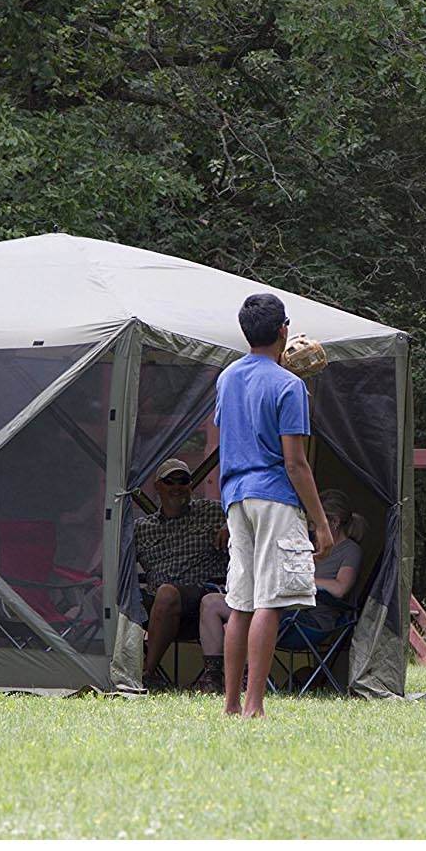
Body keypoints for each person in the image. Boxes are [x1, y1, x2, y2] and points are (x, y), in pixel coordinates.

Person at [215, 292, 333, 718]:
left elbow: (229, 435)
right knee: (269, 601)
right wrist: (320, 522)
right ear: (284, 330)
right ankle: (254, 707)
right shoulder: (290, 386)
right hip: (274, 498)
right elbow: (295, 463)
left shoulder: (227, 378)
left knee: (239, 601)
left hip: (236, 497)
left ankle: (231, 704)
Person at [195, 489, 363, 693]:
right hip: (280, 605)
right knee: (211, 602)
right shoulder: (307, 544)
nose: (310, 529)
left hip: (308, 618)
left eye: (312, 524)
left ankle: (248, 679)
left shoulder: (350, 550)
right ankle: (213, 677)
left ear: (333, 522)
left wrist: (302, 580)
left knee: (241, 621)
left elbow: (340, 588)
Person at [135, 457, 228, 688]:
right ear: (157, 486)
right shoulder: (142, 527)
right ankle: (113, 667)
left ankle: (147, 673)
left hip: (201, 595)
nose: (177, 487)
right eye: (170, 481)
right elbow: (116, 562)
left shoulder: (213, 511)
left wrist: (231, 526)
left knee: (167, 593)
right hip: (153, 600)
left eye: (183, 481)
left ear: (191, 485)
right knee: (117, 599)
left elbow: (248, 516)